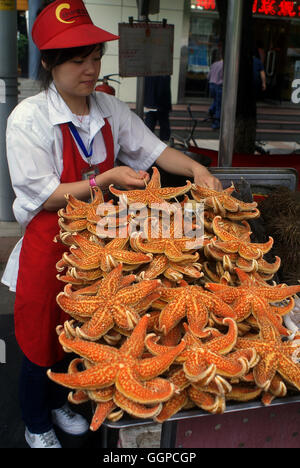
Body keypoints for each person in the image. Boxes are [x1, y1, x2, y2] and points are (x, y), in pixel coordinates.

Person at [1, 0, 222, 449]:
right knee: (38, 336)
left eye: (96, 57)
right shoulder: (29, 118)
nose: (90, 68)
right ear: (48, 62)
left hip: (102, 245)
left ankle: (62, 400)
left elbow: (154, 150)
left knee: (84, 336)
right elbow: (41, 196)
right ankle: (35, 421)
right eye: (77, 60)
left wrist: (197, 170)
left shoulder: (108, 108)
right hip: (50, 244)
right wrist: (106, 178)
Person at [144, 75, 172, 143]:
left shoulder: (148, 74)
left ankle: (149, 144)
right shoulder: (164, 74)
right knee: (163, 130)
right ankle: (164, 144)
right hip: (160, 105)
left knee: (149, 129)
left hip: (153, 104)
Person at [207, 58, 223, 130]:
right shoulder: (225, 65)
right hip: (219, 86)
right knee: (219, 105)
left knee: (216, 101)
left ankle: (211, 109)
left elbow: (208, 76)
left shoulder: (214, 64)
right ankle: (216, 124)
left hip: (211, 85)